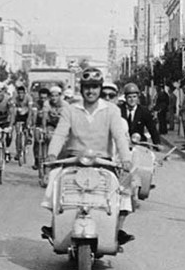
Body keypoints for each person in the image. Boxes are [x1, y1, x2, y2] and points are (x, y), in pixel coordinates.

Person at [41, 67, 134, 245]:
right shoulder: (71, 110)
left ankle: (116, 228)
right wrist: (52, 155)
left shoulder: (112, 110)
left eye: (94, 87)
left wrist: (126, 159)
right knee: (56, 179)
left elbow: (119, 137)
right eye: (87, 87)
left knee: (120, 189)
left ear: (99, 89)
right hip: (74, 160)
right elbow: (60, 134)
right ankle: (55, 224)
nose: (90, 91)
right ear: (81, 88)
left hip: (102, 161)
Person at [12, 85, 33, 162]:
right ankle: (18, 151)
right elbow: (13, 110)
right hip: (18, 115)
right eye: (19, 93)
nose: (20, 95)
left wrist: (28, 120)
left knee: (27, 126)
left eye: (22, 93)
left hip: (27, 114)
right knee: (18, 133)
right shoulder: (15, 98)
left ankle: (29, 136)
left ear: (25, 93)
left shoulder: (29, 98)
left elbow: (30, 110)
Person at [31, 87, 50, 171]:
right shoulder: (36, 104)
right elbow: (34, 114)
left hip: (49, 125)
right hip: (38, 124)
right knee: (36, 140)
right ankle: (36, 160)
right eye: (41, 98)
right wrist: (33, 125)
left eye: (45, 98)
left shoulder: (51, 104)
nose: (43, 100)